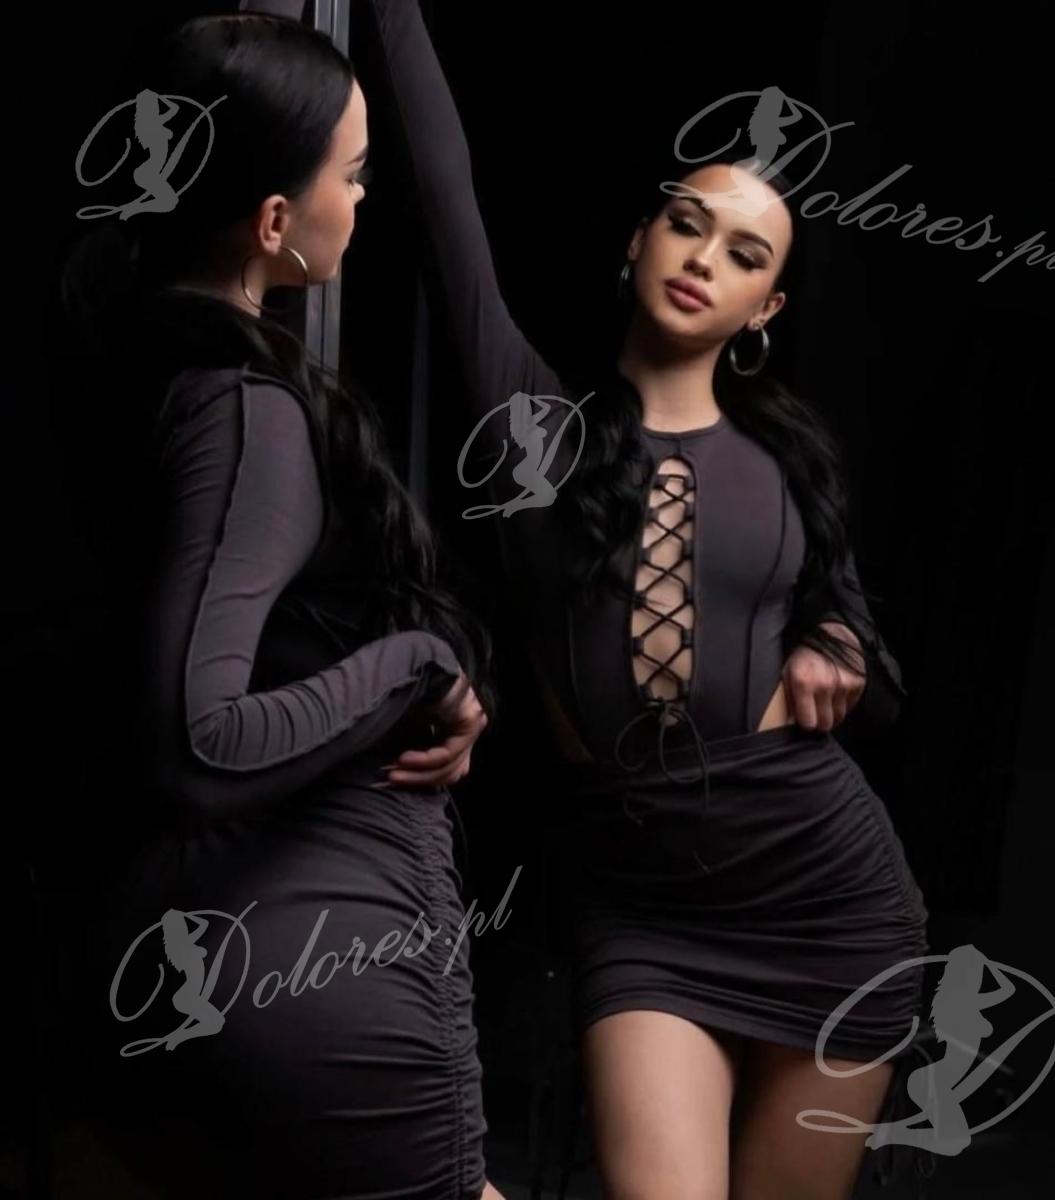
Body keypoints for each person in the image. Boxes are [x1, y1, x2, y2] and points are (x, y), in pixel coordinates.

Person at [351, 2, 931, 1197]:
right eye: (686, 223)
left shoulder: (789, 458)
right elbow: (446, 192)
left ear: (765, 310)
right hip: (645, 916)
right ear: (639, 239)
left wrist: (834, 636)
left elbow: (867, 654)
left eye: (745, 255)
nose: (703, 258)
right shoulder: (528, 422)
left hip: (828, 897)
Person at [44, 12, 508, 1198]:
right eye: (350, 175)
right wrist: (414, 663)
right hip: (319, 970)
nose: (360, 200)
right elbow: (199, 739)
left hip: (176, 974)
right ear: (269, 221)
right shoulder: (241, 411)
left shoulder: (123, 375)